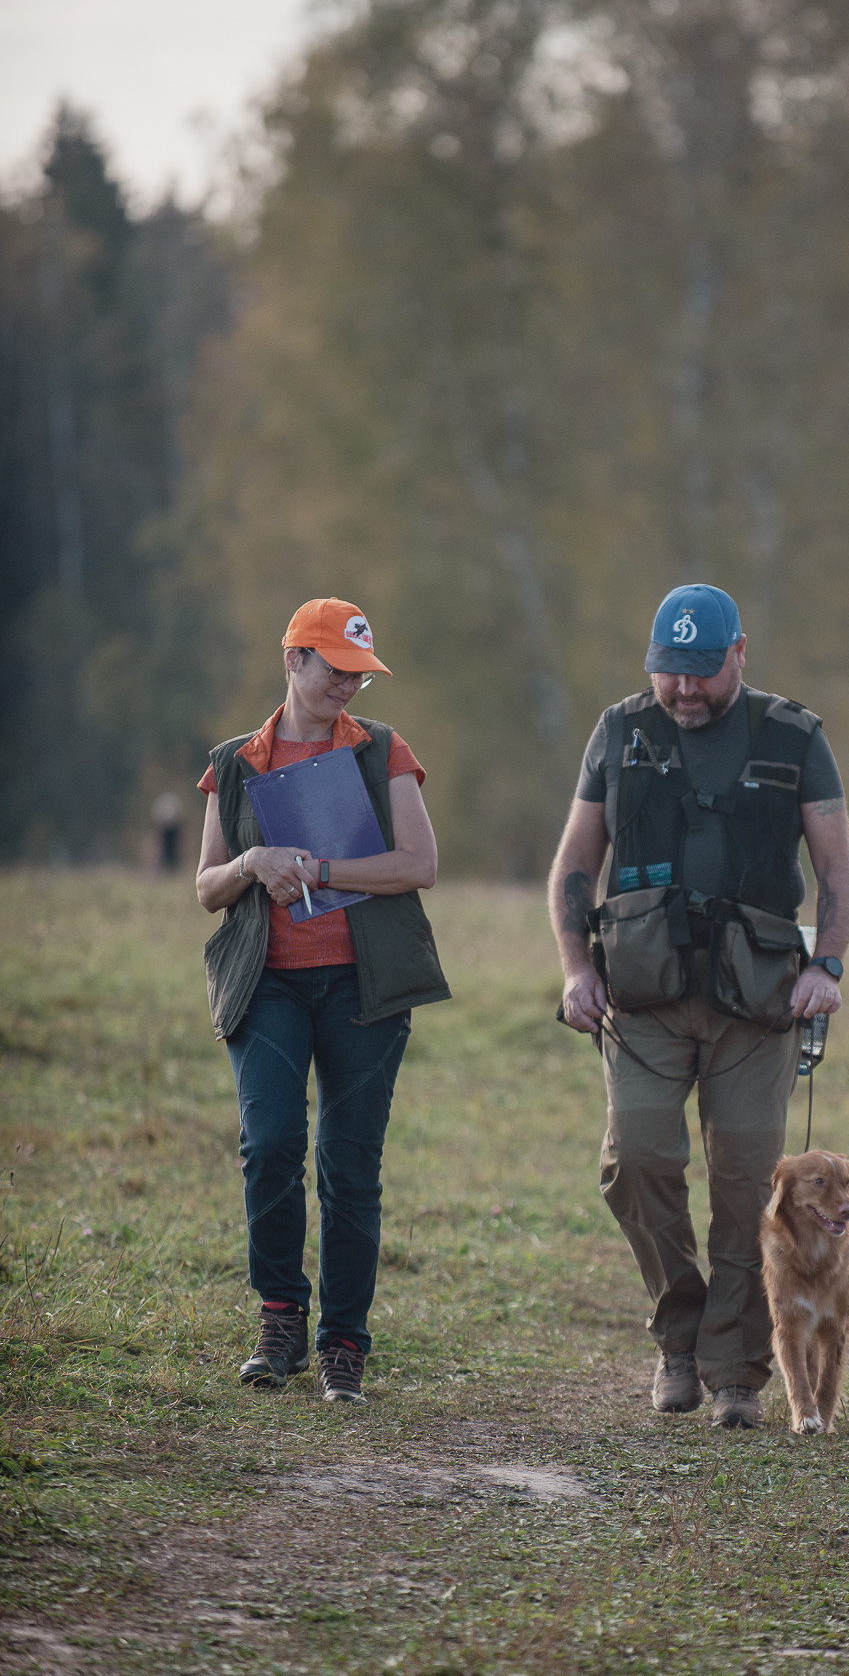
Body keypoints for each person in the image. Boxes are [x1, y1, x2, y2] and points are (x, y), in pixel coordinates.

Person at [548, 584, 849, 1429]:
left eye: (700, 673)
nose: (684, 691)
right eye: (667, 673)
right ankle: (678, 1334)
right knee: (636, 1164)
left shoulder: (795, 736)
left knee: (748, 1188)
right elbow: (576, 861)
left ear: (739, 653)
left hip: (757, 1003)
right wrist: (577, 968)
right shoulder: (619, 732)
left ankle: (733, 1370)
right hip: (644, 997)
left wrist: (825, 965)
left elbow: (837, 870)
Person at [195, 597, 450, 1405]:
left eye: (359, 674)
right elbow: (206, 886)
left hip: (362, 985)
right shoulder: (235, 761)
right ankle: (279, 1319)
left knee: (350, 1166)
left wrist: (321, 869)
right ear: (293, 661)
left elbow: (418, 864)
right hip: (266, 981)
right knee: (269, 1143)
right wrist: (255, 861)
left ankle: (343, 1342)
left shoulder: (382, 752)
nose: (348, 686)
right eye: (335, 669)